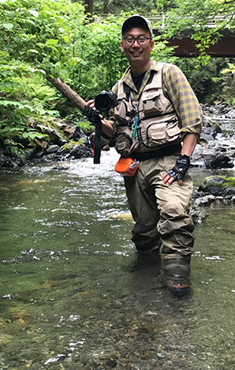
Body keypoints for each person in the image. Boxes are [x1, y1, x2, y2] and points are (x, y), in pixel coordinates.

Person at [85, 15, 203, 296]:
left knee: (174, 215)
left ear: (151, 44)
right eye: (129, 39)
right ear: (123, 46)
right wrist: (95, 119)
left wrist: (184, 161)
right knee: (144, 232)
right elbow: (114, 132)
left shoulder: (170, 73)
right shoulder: (117, 90)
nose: (135, 44)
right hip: (135, 168)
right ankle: (145, 289)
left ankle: (178, 288)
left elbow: (193, 119)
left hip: (171, 161)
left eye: (141, 39)